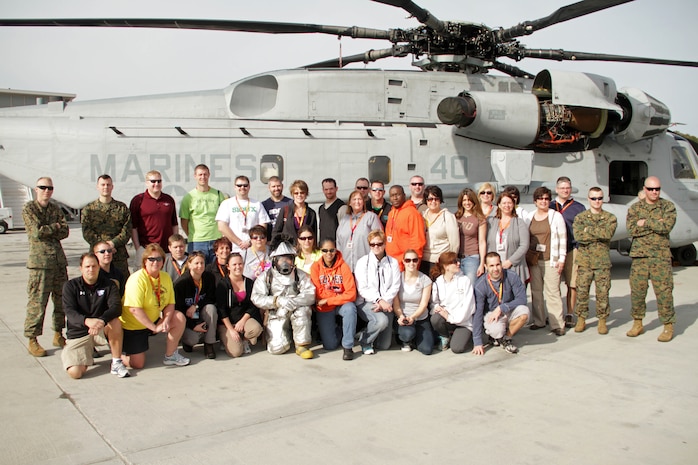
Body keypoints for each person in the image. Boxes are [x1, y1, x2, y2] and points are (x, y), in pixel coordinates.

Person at [120, 244, 189, 369]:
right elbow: (134, 309)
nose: (155, 262)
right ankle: (118, 355)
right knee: (138, 364)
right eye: (151, 259)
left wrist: (166, 321)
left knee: (179, 317)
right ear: (144, 261)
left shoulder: (165, 277)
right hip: (133, 325)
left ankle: (171, 355)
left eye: (159, 259)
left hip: (153, 321)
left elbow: (170, 303)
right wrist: (154, 327)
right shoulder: (137, 279)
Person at [61, 253, 129, 379]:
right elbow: (70, 312)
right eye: (87, 266)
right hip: (79, 332)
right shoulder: (70, 286)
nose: (91, 269)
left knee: (115, 322)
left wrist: (102, 321)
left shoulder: (109, 285)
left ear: (99, 267)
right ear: (81, 268)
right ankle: (85, 355)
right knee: (75, 373)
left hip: (101, 329)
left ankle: (116, 363)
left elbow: (116, 308)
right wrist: (87, 321)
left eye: (94, 266)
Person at [626, 176, 677, 342]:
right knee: (637, 292)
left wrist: (645, 222)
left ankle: (668, 325)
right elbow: (631, 230)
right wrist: (655, 223)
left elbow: (666, 227)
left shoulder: (668, 207)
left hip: (660, 257)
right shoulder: (634, 208)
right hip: (640, 257)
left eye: (657, 189)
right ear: (644, 189)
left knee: (664, 292)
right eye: (651, 189)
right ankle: (637, 323)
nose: (654, 192)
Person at [22, 176, 69, 357]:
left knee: (61, 301)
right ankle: (32, 338)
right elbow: (36, 232)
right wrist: (54, 226)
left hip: (58, 262)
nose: (46, 191)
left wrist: (51, 228)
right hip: (40, 264)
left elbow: (65, 231)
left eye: (49, 188)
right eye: (43, 187)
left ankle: (58, 333)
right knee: (37, 302)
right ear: (36, 189)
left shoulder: (55, 209)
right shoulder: (29, 209)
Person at [251, 238, 316, 358]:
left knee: (303, 311)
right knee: (277, 348)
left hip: (296, 309)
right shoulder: (266, 276)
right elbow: (256, 297)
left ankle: (301, 345)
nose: (285, 262)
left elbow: (310, 293)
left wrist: (293, 302)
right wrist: (277, 301)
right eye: (281, 259)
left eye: (288, 258)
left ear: (293, 260)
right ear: (275, 261)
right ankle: (286, 336)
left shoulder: (299, 274)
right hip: (276, 312)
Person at [573, 187, 617, 334]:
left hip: (602, 263)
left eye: (599, 198)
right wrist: (597, 233)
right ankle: (581, 319)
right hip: (584, 262)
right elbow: (578, 236)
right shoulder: (581, 218)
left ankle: (602, 320)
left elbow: (607, 234)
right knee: (582, 292)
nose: (597, 201)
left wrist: (588, 230)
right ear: (588, 199)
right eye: (594, 198)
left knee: (603, 293)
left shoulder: (610, 218)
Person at [473, 252, 530, 355]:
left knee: (524, 312)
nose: (495, 269)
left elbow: (522, 299)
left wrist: (501, 308)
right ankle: (496, 335)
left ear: (501, 264)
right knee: (496, 331)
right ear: (485, 267)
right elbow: (478, 313)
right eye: (491, 266)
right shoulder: (480, 285)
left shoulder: (511, 276)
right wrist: (477, 342)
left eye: (497, 264)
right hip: (492, 315)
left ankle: (506, 338)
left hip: (508, 309)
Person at [354, 230, 401, 355]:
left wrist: (385, 301)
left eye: (379, 244)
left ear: (385, 244)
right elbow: (362, 288)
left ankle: (367, 331)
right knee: (382, 322)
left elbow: (395, 285)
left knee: (384, 345)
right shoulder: (362, 262)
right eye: (372, 244)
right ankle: (365, 341)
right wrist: (379, 300)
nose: (376, 247)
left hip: (387, 304)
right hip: (366, 303)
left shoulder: (393, 262)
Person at [310, 239, 358, 361]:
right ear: (320, 251)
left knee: (350, 308)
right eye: (325, 250)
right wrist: (333, 298)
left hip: (339, 304)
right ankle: (342, 329)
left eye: (332, 250)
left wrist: (329, 300)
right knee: (330, 346)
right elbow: (319, 293)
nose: (329, 253)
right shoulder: (315, 267)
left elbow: (351, 294)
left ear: (336, 250)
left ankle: (348, 347)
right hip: (325, 307)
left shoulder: (344, 267)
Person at [528, 187, 567, 336]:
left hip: (551, 259)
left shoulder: (555, 216)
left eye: (546, 199)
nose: (543, 201)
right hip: (534, 260)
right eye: (540, 199)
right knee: (536, 291)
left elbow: (563, 238)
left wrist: (561, 259)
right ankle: (539, 321)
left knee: (553, 292)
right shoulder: (530, 216)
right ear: (535, 201)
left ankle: (557, 324)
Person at [551, 176, 586, 327]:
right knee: (553, 285)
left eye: (568, 188)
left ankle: (570, 313)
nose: (565, 190)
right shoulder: (550, 205)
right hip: (554, 250)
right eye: (562, 188)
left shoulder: (578, 207)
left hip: (572, 249)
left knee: (572, 283)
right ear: (557, 189)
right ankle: (554, 314)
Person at [81, 174, 132, 277]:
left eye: (108, 185)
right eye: (103, 184)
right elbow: (87, 232)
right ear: (97, 187)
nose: (105, 187)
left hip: (118, 255)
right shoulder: (89, 209)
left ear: (112, 187)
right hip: (97, 256)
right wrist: (103, 247)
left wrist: (113, 244)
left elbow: (127, 230)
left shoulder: (121, 208)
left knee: (122, 286)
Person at [216, 253, 264, 357]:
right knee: (236, 352)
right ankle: (226, 339)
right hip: (227, 323)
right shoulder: (222, 284)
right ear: (228, 266)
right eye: (234, 264)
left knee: (256, 329)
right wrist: (231, 330)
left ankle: (244, 339)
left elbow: (253, 305)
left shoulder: (249, 283)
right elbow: (222, 310)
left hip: (243, 319)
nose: (238, 267)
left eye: (240, 264)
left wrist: (242, 321)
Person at [430, 252, 477, 354]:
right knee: (435, 319)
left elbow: (470, 307)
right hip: (447, 320)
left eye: (458, 261)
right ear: (446, 266)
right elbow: (433, 303)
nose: (459, 263)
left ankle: (462, 335)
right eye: (455, 262)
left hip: (463, 322)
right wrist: (437, 307)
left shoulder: (465, 281)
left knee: (457, 348)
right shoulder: (438, 283)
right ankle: (445, 336)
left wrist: (451, 318)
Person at [174, 251, 218, 359]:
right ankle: (187, 342)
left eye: (202, 263)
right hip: (187, 318)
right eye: (196, 263)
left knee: (211, 308)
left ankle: (209, 344)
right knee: (192, 339)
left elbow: (211, 298)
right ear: (189, 264)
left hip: (201, 312)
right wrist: (193, 325)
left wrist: (196, 306)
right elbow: (178, 309)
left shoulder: (209, 278)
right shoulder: (181, 283)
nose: (200, 266)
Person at [179, 164, 227, 264]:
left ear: (209, 175)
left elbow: (224, 218)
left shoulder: (218, 195)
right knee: (198, 271)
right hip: (197, 242)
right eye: (200, 174)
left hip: (216, 240)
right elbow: (184, 221)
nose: (203, 177)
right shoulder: (189, 197)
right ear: (195, 176)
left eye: (205, 174)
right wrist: (192, 235)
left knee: (216, 272)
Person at [393, 250, 433, 355]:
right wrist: (401, 316)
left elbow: (424, 304)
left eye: (414, 260)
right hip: (403, 318)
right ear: (403, 262)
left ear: (418, 261)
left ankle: (415, 339)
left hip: (420, 318)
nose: (411, 263)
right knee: (407, 334)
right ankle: (405, 339)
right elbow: (396, 303)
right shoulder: (397, 278)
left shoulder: (425, 279)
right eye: (408, 260)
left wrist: (413, 317)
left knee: (427, 349)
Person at [216, 175, 270, 253]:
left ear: (249, 187)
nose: (242, 187)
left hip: (253, 247)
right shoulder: (227, 204)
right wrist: (239, 242)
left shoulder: (257, 204)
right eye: (239, 185)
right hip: (233, 248)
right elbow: (222, 226)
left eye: (245, 185)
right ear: (235, 187)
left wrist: (250, 241)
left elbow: (263, 226)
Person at [130, 170, 178, 256]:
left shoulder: (169, 200)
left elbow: (174, 224)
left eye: (159, 181)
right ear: (146, 183)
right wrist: (138, 248)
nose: (156, 184)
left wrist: (174, 246)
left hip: (167, 250)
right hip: (147, 250)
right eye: (153, 181)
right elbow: (133, 228)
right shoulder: (138, 200)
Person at [486, 192, 530, 286]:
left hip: (514, 266)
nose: (507, 205)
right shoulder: (491, 222)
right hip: (495, 268)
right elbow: (487, 243)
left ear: (514, 205)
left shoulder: (520, 223)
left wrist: (510, 261)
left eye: (509, 203)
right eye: (504, 203)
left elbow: (524, 245)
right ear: (499, 205)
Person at [336, 190, 382, 271]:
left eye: (359, 199)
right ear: (349, 203)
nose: (357, 202)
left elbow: (380, 239)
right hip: (346, 267)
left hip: (365, 267)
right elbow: (339, 242)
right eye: (354, 199)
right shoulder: (344, 220)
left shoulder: (371, 217)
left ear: (363, 202)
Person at [385, 185, 426, 268]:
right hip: (391, 263)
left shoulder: (412, 214)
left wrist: (412, 264)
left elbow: (417, 241)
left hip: (405, 264)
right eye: (392, 196)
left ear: (404, 195)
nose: (395, 198)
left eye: (397, 195)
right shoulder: (391, 213)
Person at [421, 185, 459, 274]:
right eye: (430, 199)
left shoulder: (448, 217)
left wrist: (450, 261)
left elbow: (454, 243)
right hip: (423, 260)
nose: (433, 201)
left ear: (440, 200)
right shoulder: (422, 216)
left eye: (436, 199)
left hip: (440, 261)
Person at [455, 187, 487, 286]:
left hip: (472, 258)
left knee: (470, 287)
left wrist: (482, 263)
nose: (467, 203)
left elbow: (482, 242)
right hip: (457, 258)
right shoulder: (456, 217)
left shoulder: (480, 219)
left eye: (469, 200)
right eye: (464, 200)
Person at [261, 176, 292, 241]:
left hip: (287, 241)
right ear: (269, 188)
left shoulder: (291, 203)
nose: (276, 188)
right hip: (270, 242)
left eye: (278, 186)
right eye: (273, 186)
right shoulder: (264, 205)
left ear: (282, 186)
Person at [318, 178, 345, 243]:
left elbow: (344, 231)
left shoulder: (342, 207)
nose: (328, 192)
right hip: (323, 247)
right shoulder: (321, 208)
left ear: (336, 189)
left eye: (331, 189)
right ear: (323, 190)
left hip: (336, 248)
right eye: (326, 189)